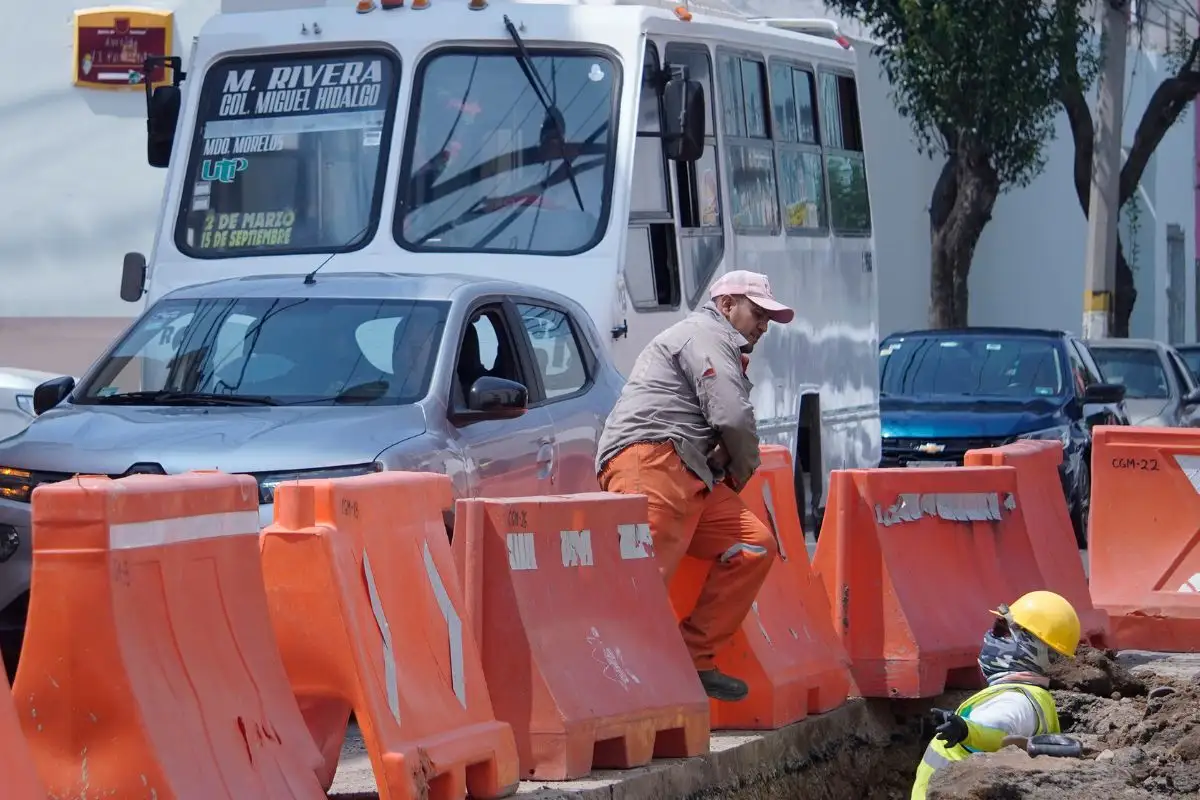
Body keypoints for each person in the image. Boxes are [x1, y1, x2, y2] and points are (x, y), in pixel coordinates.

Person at [596, 270, 795, 702]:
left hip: (687, 468)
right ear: (726, 305)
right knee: (644, 581)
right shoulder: (704, 334)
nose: (764, 326)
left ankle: (693, 660)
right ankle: (624, 691)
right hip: (653, 460)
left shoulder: (716, 340)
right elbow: (732, 416)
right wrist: (741, 470)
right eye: (758, 313)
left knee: (754, 545)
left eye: (767, 318)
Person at [910, 590, 1082, 799]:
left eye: (1003, 631)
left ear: (1035, 649)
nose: (992, 637)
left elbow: (998, 731)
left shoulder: (1014, 702)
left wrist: (966, 730)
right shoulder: (1032, 696)